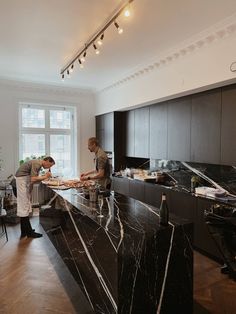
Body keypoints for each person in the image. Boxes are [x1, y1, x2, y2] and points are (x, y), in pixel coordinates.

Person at [13, 156, 55, 238]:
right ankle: (29, 233)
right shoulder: (37, 163)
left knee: (25, 207)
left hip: (22, 184)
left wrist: (29, 191)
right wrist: (46, 176)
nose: (49, 168)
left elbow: (31, 179)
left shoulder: (37, 164)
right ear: (46, 161)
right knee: (24, 208)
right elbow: (33, 179)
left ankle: (24, 231)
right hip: (20, 183)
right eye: (49, 165)